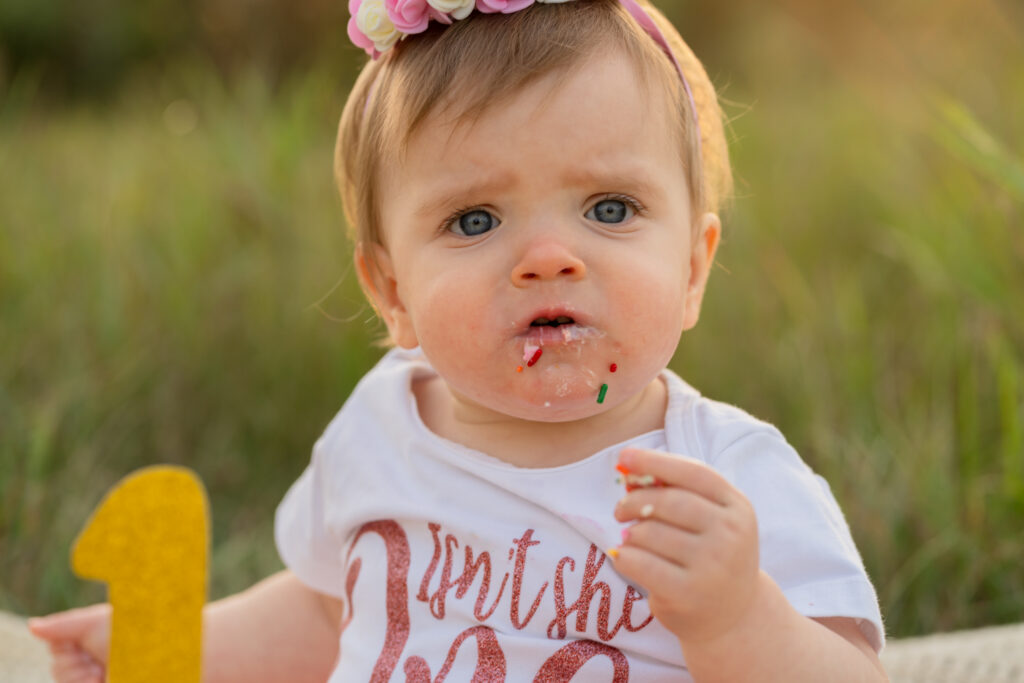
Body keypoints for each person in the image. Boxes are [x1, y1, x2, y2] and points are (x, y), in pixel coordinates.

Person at [29, 0, 888, 680]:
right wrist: (159, 646)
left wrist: (741, 617)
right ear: (392, 291)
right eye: (475, 220)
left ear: (693, 268)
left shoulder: (726, 475)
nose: (548, 257)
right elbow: (323, 612)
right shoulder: (382, 428)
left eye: (609, 208)